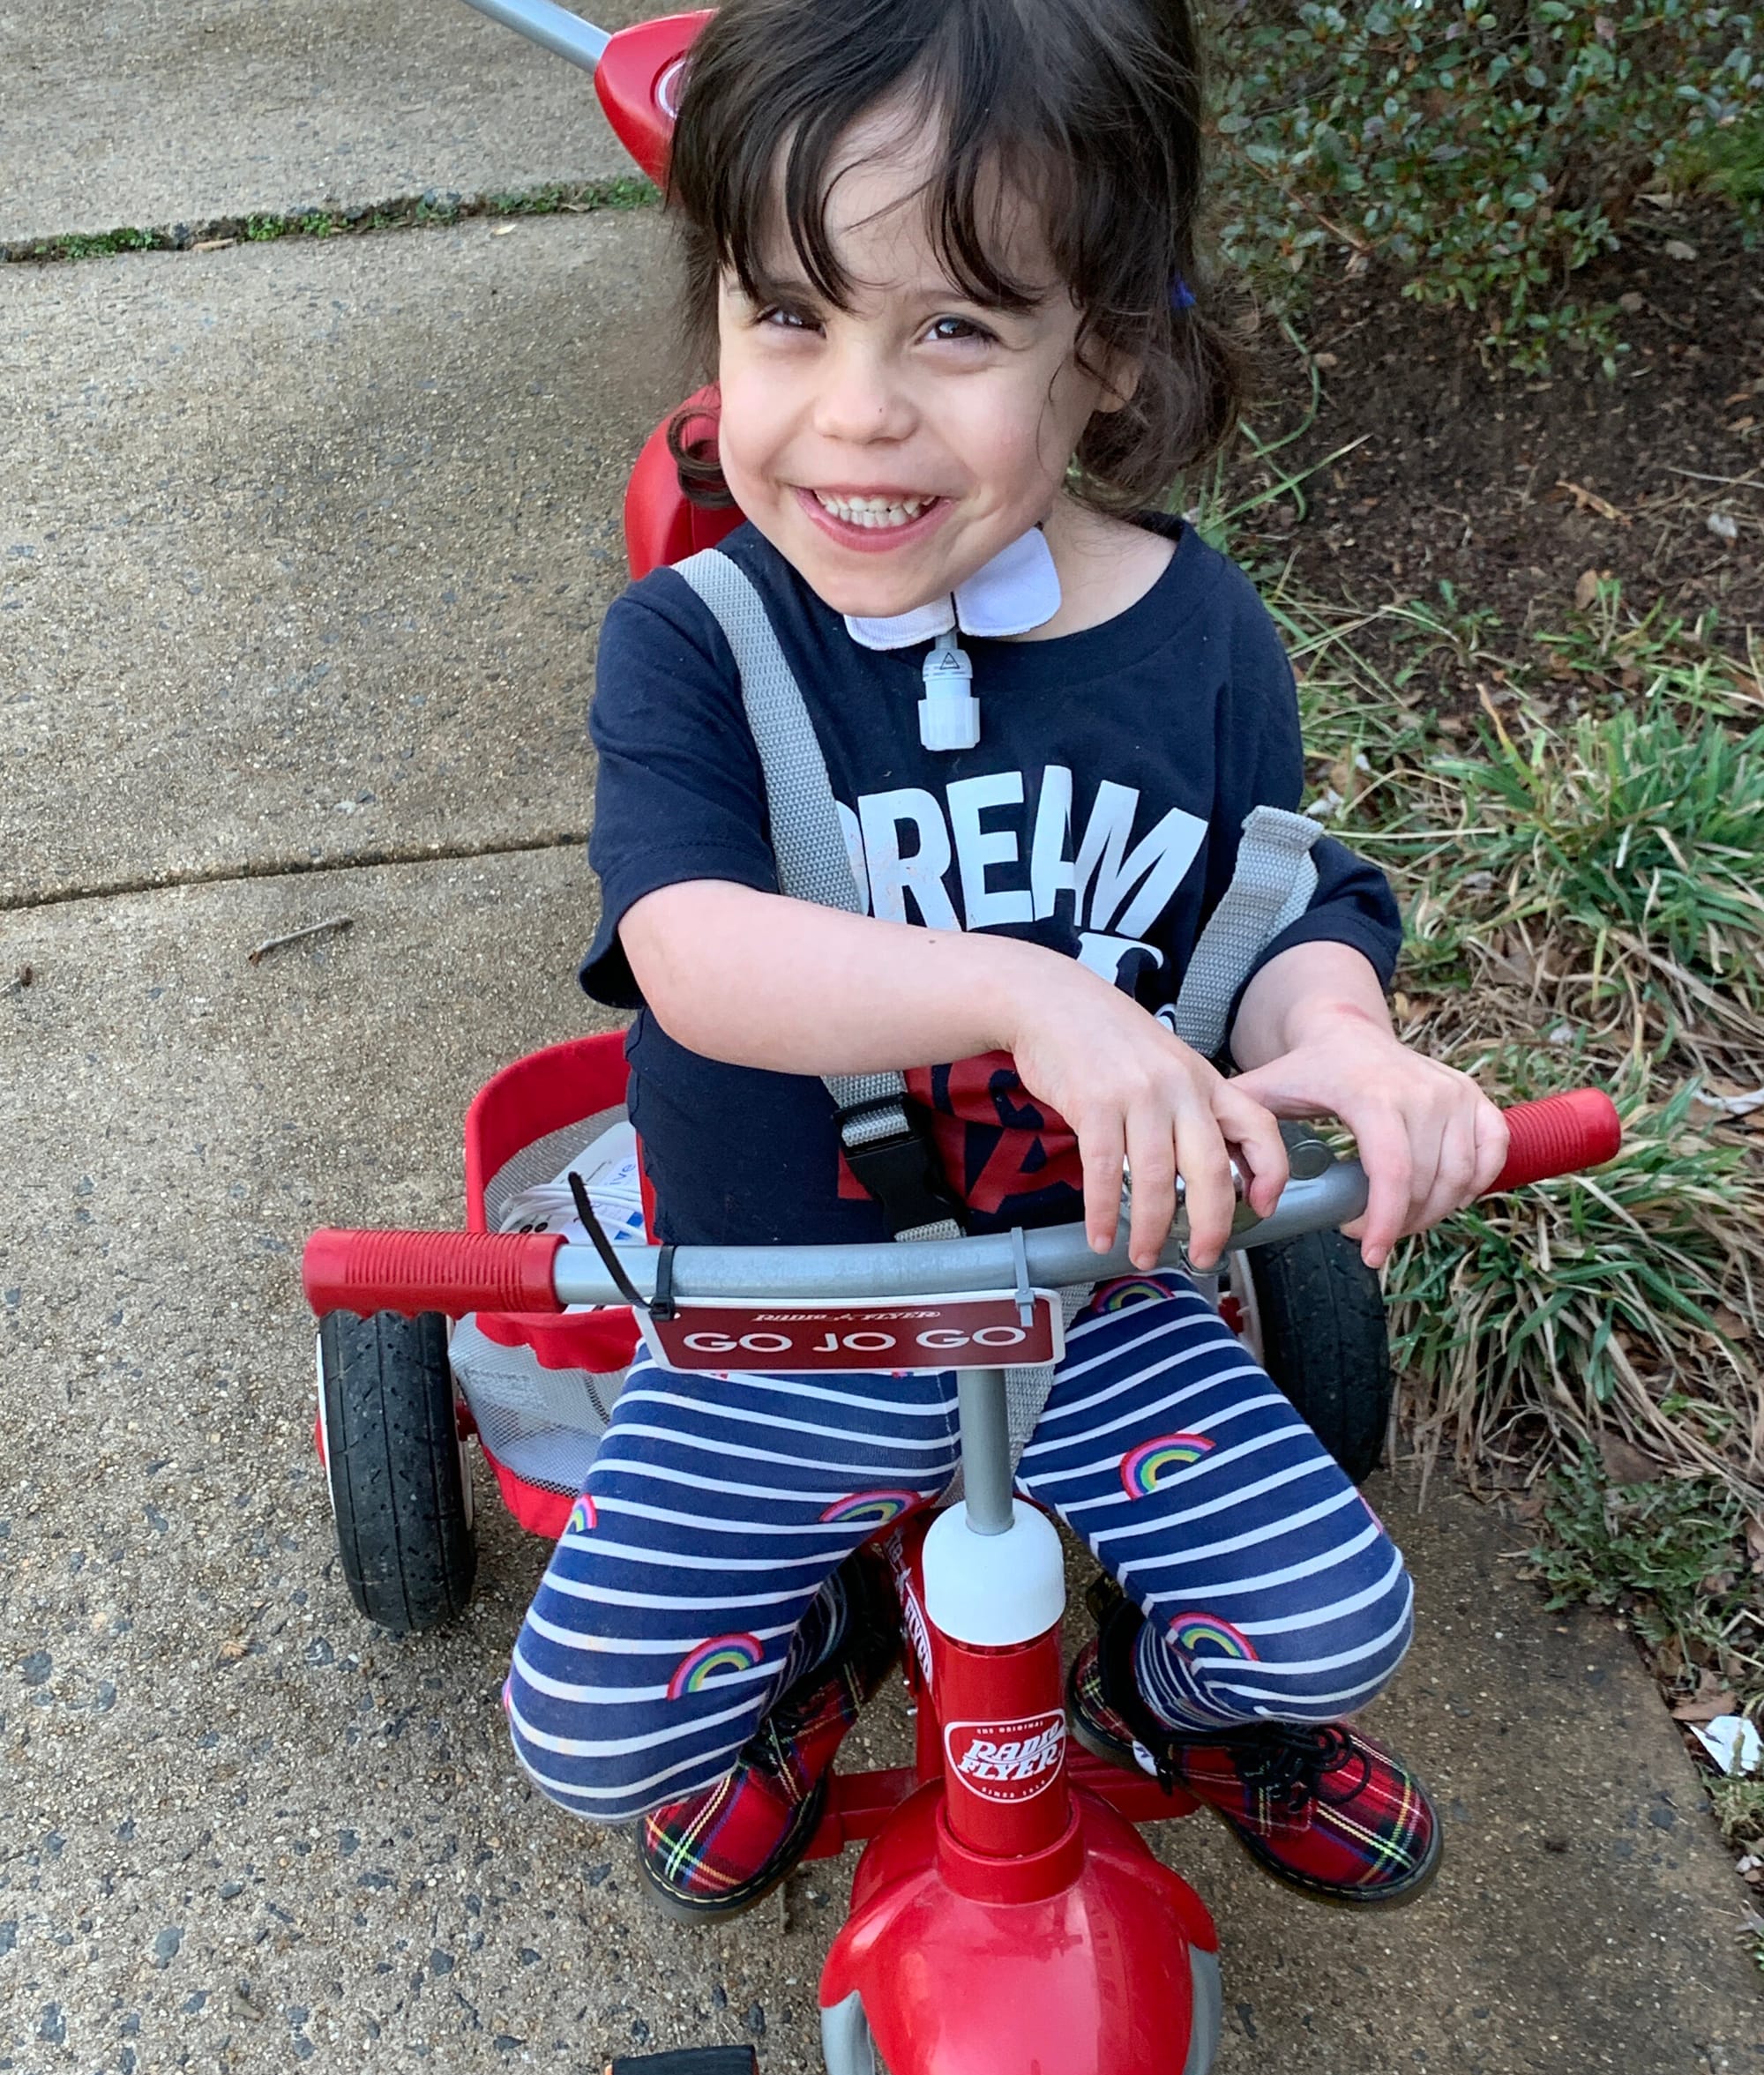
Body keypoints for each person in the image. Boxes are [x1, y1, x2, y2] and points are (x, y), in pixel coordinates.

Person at [504, 0, 1511, 1922]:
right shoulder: (699, 643)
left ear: (1106, 347)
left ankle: (1165, 1704)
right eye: (787, 313)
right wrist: (1029, 990)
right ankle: (811, 1656)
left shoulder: (1200, 635)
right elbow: (692, 947)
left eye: (954, 328)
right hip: (775, 1322)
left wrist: (1345, 1038)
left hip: (1095, 1301)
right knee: (588, 1731)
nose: (854, 411)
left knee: (1337, 1623)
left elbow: (1264, 904)